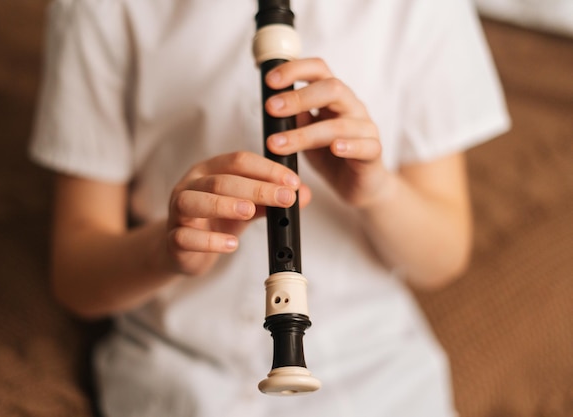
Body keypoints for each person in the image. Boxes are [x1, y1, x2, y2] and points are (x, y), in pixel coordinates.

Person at [30, 0, 509, 416]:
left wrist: (376, 190)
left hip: (374, 375)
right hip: (177, 374)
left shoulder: (420, 8)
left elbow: (442, 258)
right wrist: (167, 250)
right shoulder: (100, 10)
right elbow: (76, 278)